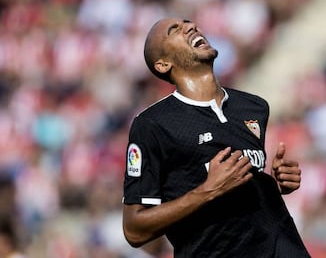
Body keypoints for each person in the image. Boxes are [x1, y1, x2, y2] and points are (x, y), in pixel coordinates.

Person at [122, 18, 311, 257]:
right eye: (175, 30)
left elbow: (239, 186)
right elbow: (134, 230)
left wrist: (274, 183)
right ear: (162, 64)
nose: (191, 27)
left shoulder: (253, 107)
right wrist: (207, 190)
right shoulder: (153, 124)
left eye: (189, 23)